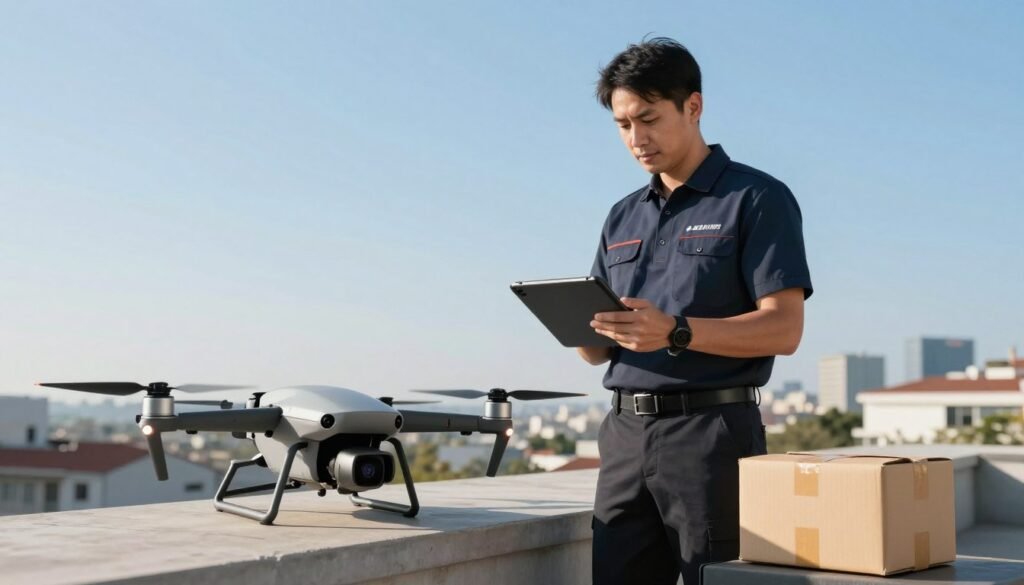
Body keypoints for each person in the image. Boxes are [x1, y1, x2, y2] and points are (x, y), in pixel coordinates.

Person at [579, 38, 813, 585]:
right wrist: (584, 325)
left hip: (711, 436)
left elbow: (785, 328)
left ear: (694, 106)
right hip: (623, 436)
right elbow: (595, 351)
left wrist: (675, 331)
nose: (636, 139)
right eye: (621, 125)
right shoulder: (621, 216)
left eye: (649, 119)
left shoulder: (756, 198)